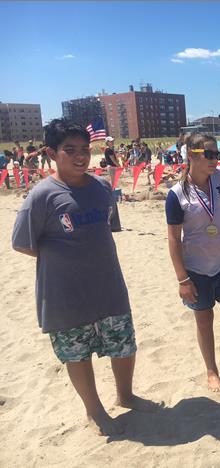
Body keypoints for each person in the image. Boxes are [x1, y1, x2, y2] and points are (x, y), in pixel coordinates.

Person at [12, 119, 158, 436]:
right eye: (70, 150)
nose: (80, 156)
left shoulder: (102, 188)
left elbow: (107, 228)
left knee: (124, 345)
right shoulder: (42, 196)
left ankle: (126, 395)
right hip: (64, 293)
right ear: (51, 153)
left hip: (108, 285)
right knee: (77, 354)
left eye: (84, 150)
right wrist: (63, 257)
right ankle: (94, 411)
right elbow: (21, 243)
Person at [165, 133, 220, 393]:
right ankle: (211, 371)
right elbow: (173, 239)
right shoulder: (177, 195)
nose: (215, 160)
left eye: (217, 155)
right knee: (204, 321)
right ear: (191, 156)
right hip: (196, 269)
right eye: (208, 155)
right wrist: (182, 279)